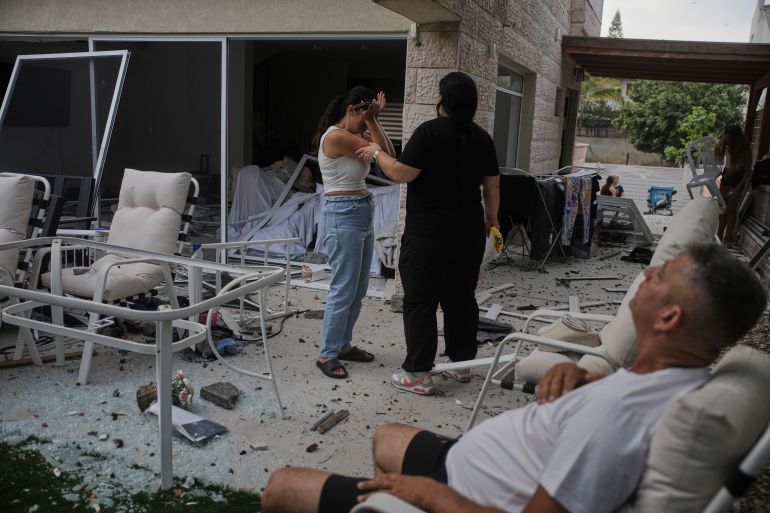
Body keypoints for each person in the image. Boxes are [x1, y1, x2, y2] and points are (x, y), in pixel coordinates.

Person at [261, 242, 767, 513]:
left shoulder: (616, 418)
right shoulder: (673, 377)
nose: (647, 274)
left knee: (281, 487)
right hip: (483, 467)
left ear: (669, 319)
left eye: (661, 275)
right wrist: (579, 373)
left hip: (471, 497)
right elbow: (621, 399)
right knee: (386, 436)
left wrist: (432, 497)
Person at [356, 71, 500, 395]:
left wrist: (377, 154)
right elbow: (492, 184)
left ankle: (418, 374)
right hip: (468, 233)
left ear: (443, 100)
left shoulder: (429, 133)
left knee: (420, 302)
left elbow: (401, 173)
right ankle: (462, 366)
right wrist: (492, 220)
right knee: (461, 299)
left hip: (428, 235)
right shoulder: (482, 138)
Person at [312, 86, 395, 379]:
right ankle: (327, 354)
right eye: (363, 119)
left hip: (361, 212)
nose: (365, 127)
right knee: (343, 289)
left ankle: (343, 346)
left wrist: (374, 119)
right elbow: (382, 152)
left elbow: (390, 155)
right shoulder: (335, 137)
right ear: (351, 111)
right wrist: (372, 121)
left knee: (358, 290)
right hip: (342, 214)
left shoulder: (356, 136)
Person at [715, 124, 753, 245]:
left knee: (731, 210)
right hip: (726, 176)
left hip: (737, 178)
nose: (726, 140)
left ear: (735, 138)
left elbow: (747, 172)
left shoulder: (745, 149)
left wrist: (737, 188)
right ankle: (719, 235)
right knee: (722, 209)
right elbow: (717, 158)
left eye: (727, 138)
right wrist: (720, 143)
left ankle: (727, 237)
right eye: (724, 137)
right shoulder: (726, 147)